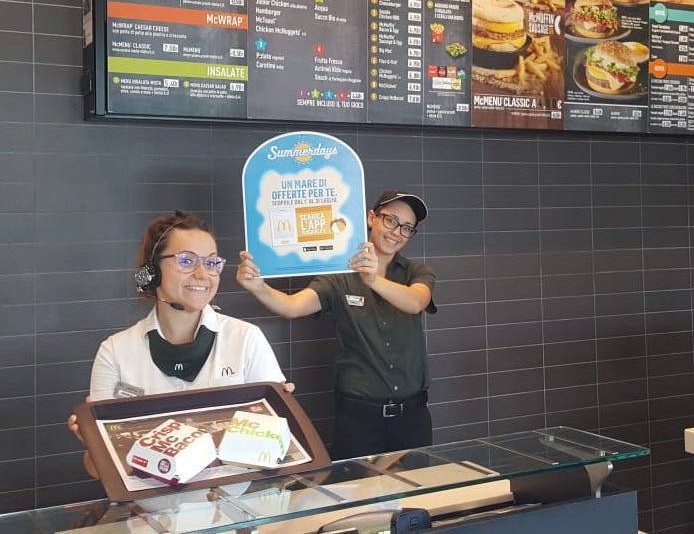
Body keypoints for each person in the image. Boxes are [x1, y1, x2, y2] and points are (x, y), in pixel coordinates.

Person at [68, 211, 290, 477]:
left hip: (236, 497)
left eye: (211, 263)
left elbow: (277, 451)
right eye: (186, 261)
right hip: (152, 501)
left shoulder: (246, 339)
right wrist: (95, 445)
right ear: (152, 272)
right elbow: (99, 471)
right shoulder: (116, 351)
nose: (203, 274)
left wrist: (277, 421)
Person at [237, 191, 436, 459]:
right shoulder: (339, 275)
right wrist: (258, 287)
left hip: (413, 415)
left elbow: (416, 301)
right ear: (371, 218)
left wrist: (373, 280)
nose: (397, 232)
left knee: (419, 484)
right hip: (358, 416)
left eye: (407, 228)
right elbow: (293, 306)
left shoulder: (417, 272)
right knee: (357, 485)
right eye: (390, 221)